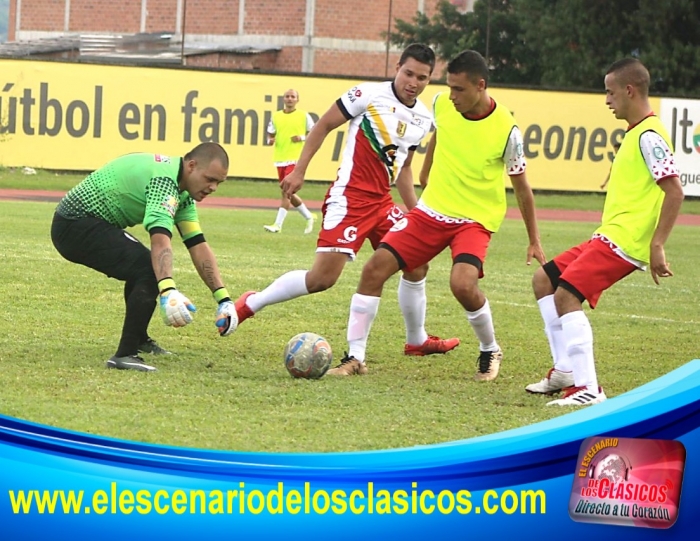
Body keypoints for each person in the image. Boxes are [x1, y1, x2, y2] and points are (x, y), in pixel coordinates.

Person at [234, 44, 459, 367]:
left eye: (422, 78)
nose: (413, 82)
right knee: (322, 279)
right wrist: (299, 171)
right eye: (408, 73)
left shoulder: (423, 118)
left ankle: (415, 340)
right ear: (397, 67)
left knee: (417, 263)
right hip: (349, 197)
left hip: (382, 202)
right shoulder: (366, 95)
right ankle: (251, 303)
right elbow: (324, 125)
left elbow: (405, 169)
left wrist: (416, 213)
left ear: (429, 79)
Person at [334, 49, 546, 378]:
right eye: (449, 87)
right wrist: (425, 175)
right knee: (374, 270)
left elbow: (522, 188)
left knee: (462, 285)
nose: (451, 96)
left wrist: (534, 239)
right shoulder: (441, 105)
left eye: (459, 89)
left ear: (480, 85)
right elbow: (440, 135)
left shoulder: (508, 130)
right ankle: (355, 358)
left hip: (475, 219)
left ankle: (490, 349)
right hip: (432, 211)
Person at [527, 58, 684, 406]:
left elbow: (674, 190)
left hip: (625, 242)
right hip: (608, 234)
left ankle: (589, 389)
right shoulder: (635, 132)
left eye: (610, 92)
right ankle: (565, 370)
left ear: (629, 90)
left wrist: (657, 244)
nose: (607, 100)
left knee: (566, 296)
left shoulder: (650, 136)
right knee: (544, 280)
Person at [50, 143, 238, 372]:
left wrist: (224, 299)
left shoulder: (182, 191)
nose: (213, 187)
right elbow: (160, 242)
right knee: (148, 268)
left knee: (144, 267)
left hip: (84, 223)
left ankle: (138, 339)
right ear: (191, 166)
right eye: (210, 179)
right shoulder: (164, 181)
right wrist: (168, 290)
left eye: (219, 182)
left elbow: (197, 245)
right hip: (74, 223)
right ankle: (124, 354)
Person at [264, 89, 317, 234]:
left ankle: (278, 225)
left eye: (292, 96)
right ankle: (308, 216)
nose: (289, 99)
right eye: (287, 96)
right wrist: (270, 141)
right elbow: (270, 134)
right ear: (283, 99)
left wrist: (301, 137)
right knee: (287, 191)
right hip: (280, 158)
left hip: (295, 158)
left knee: (286, 191)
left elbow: (314, 132)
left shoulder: (303, 116)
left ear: (297, 100)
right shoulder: (276, 116)